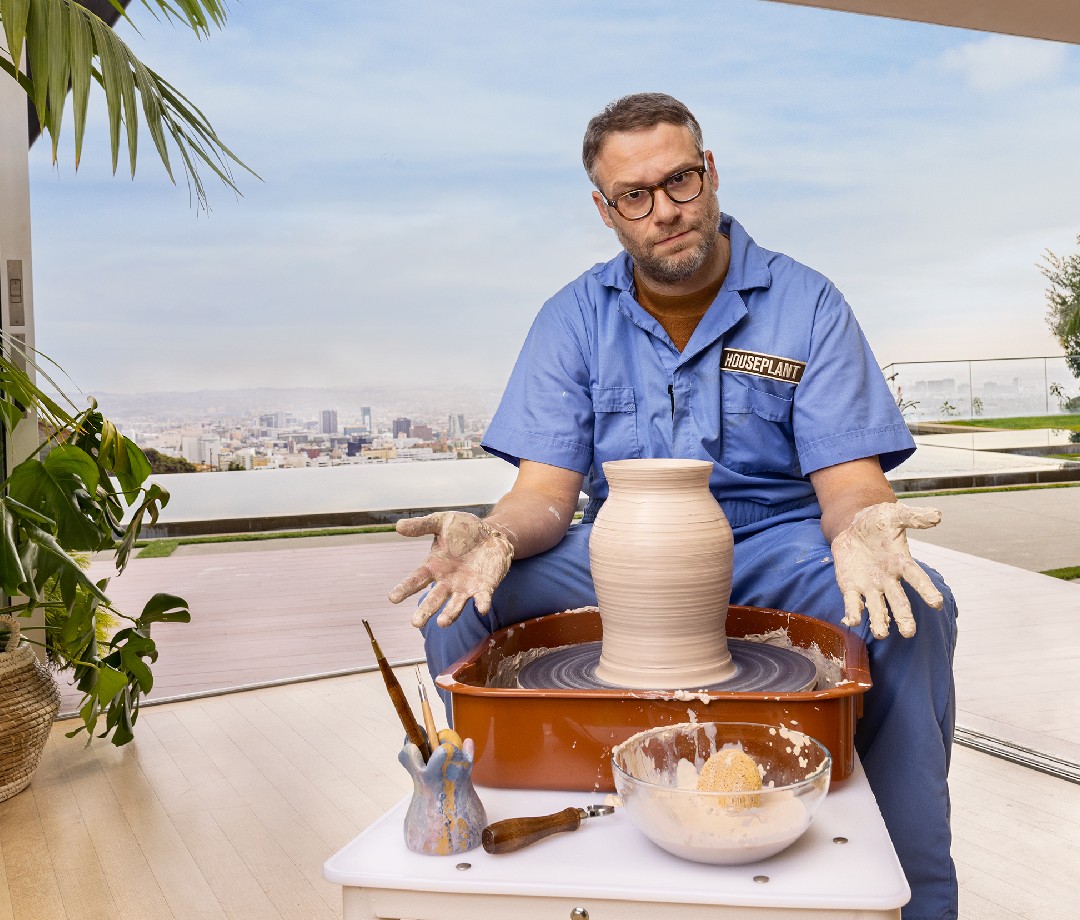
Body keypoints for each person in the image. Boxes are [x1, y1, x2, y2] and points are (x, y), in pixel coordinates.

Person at [389, 92, 958, 920]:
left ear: (710, 172)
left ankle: (913, 894)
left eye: (680, 181)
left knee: (913, 611)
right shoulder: (572, 318)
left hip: (778, 547)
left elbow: (849, 484)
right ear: (605, 210)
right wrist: (497, 535)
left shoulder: (807, 304)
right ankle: (488, 839)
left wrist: (867, 523)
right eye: (635, 195)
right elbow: (544, 495)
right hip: (622, 547)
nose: (665, 210)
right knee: (461, 604)